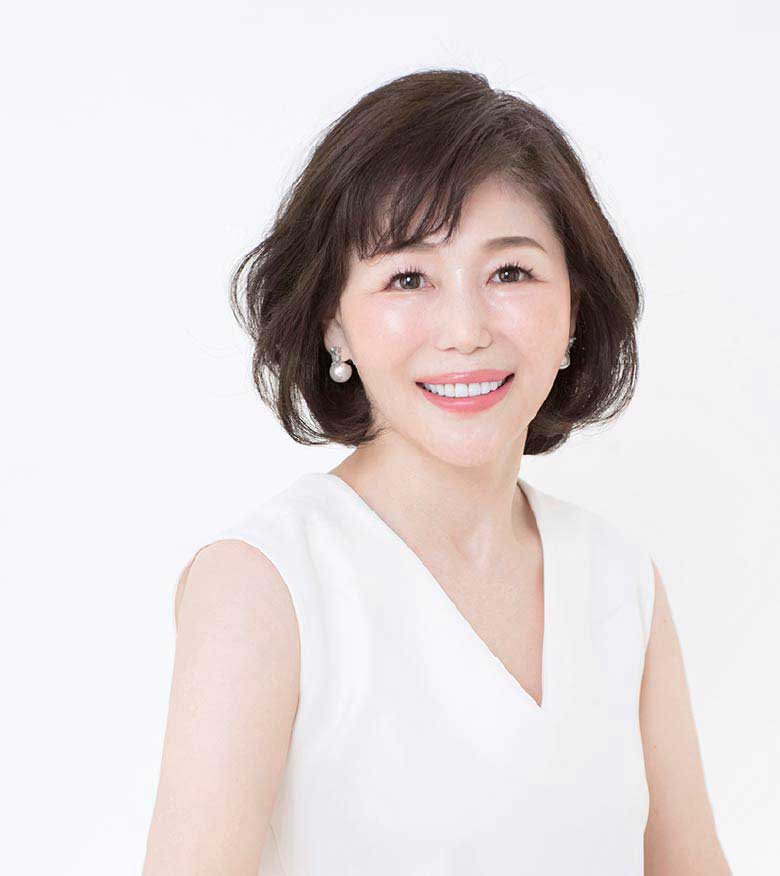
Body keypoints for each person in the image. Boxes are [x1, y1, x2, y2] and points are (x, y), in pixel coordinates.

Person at [143, 69, 731, 875]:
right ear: (333, 322)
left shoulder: (619, 579)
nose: (464, 330)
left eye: (511, 273)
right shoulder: (263, 584)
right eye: (408, 278)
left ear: (573, 308)